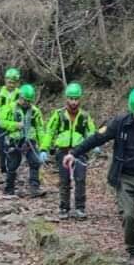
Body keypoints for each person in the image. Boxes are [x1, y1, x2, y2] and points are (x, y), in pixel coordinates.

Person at [64, 87, 134, 265]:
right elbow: (97, 138)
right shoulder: (120, 123)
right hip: (125, 177)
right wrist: (74, 153)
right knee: (128, 216)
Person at [43, 82, 96, 221]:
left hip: (80, 151)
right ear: (66, 98)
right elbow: (49, 132)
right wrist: (44, 148)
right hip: (63, 151)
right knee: (64, 180)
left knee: (80, 179)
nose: (73, 102)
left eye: (76, 99)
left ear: (80, 99)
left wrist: (96, 144)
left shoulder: (85, 116)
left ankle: (80, 207)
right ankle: (64, 207)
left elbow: (91, 132)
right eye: (71, 98)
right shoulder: (58, 115)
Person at [0, 84, 47, 198]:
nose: (26, 103)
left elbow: (40, 129)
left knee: (35, 162)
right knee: (13, 165)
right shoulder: (10, 108)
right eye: (24, 100)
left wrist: (44, 147)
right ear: (20, 97)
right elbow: (2, 123)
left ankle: (34, 187)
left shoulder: (35, 112)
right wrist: (15, 125)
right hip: (14, 140)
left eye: (28, 101)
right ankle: (9, 189)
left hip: (30, 141)